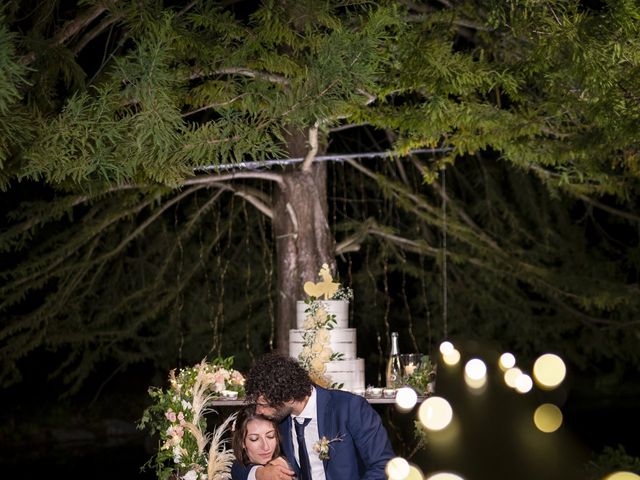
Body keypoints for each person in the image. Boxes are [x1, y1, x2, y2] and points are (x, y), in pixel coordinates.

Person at [234, 352, 395, 480]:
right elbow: (237, 466)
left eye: (263, 405)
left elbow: (384, 465)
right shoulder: (280, 421)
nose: (258, 411)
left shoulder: (350, 408)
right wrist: (259, 474)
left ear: (288, 398)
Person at [231, 405, 296, 480]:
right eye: (254, 439)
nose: (266, 447)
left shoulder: (291, 459)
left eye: (270, 436)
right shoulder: (238, 469)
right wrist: (260, 473)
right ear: (242, 442)